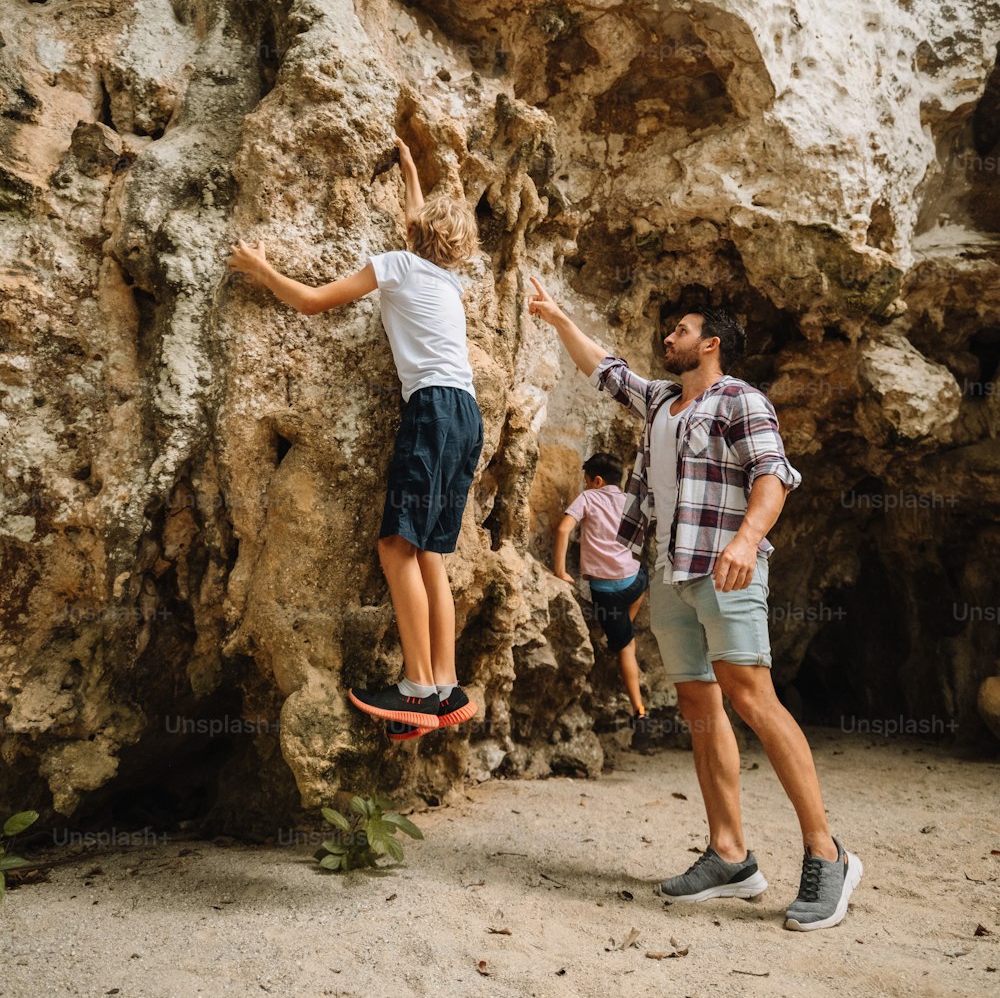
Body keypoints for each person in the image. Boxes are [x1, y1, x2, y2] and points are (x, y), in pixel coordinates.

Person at [528, 275, 863, 932]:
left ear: (709, 343)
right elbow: (605, 368)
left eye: (679, 330)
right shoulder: (659, 402)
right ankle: (731, 855)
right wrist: (559, 318)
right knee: (699, 704)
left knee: (750, 695)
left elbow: (773, 478)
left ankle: (829, 852)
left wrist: (747, 539)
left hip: (727, 570)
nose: (666, 338)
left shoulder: (741, 400)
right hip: (672, 573)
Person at [227, 135, 483, 739]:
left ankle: (418, 688)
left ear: (414, 233)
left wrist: (262, 269)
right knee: (429, 554)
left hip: (431, 410)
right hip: (466, 412)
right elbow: (420, 220)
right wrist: (411, 169)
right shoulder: (451, 285)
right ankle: (445, 685)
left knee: (395, 548)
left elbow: (315, 303)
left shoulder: (397, 264)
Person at [554, 452, 650, 726]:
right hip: (632, 582)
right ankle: (625, 626)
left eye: (585, 481)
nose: (584, 486)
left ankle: (639, 710)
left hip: (606, 592)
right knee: (643, 575)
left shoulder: (588, 497)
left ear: (596, 480)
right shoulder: (628, 501)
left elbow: (563, 530)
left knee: (626, 648)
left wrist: (560, 572)